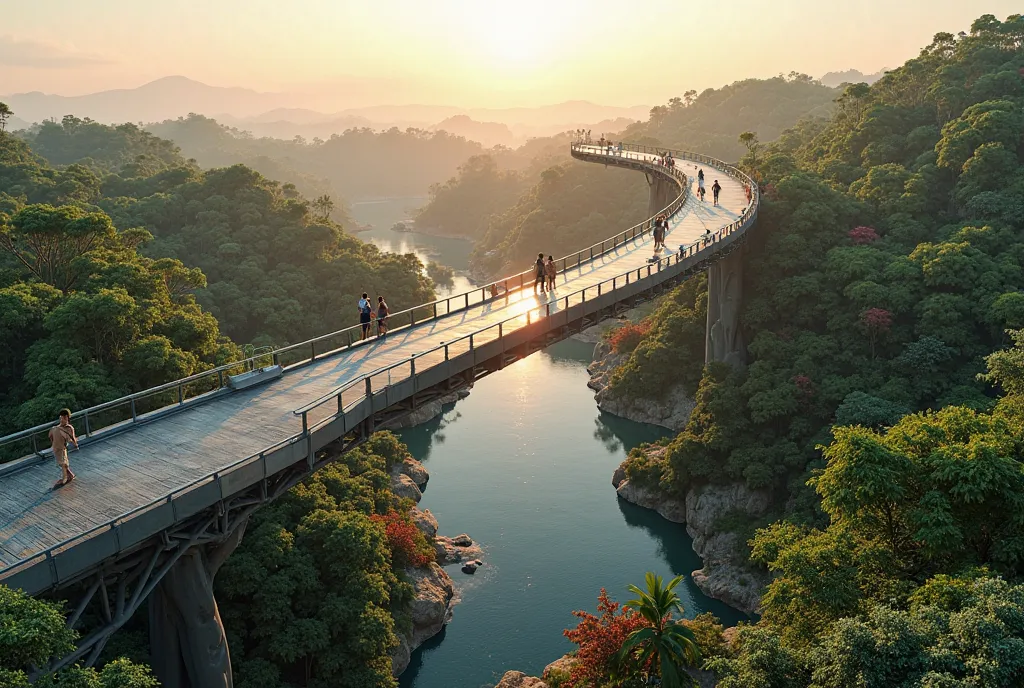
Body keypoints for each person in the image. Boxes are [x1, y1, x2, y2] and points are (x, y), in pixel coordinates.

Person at [49, 409, 78, 488]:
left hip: (62, 448)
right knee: (61, 462)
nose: (61, 419)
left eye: (63, 417)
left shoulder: (69, 428)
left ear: (67, 417)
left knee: (63, 463)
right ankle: (70, 475)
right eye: (61, 417)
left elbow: (71, 438)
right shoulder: (56, 428)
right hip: (56, 447)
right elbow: (51, 436)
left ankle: (64, 479)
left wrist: (74, 443)